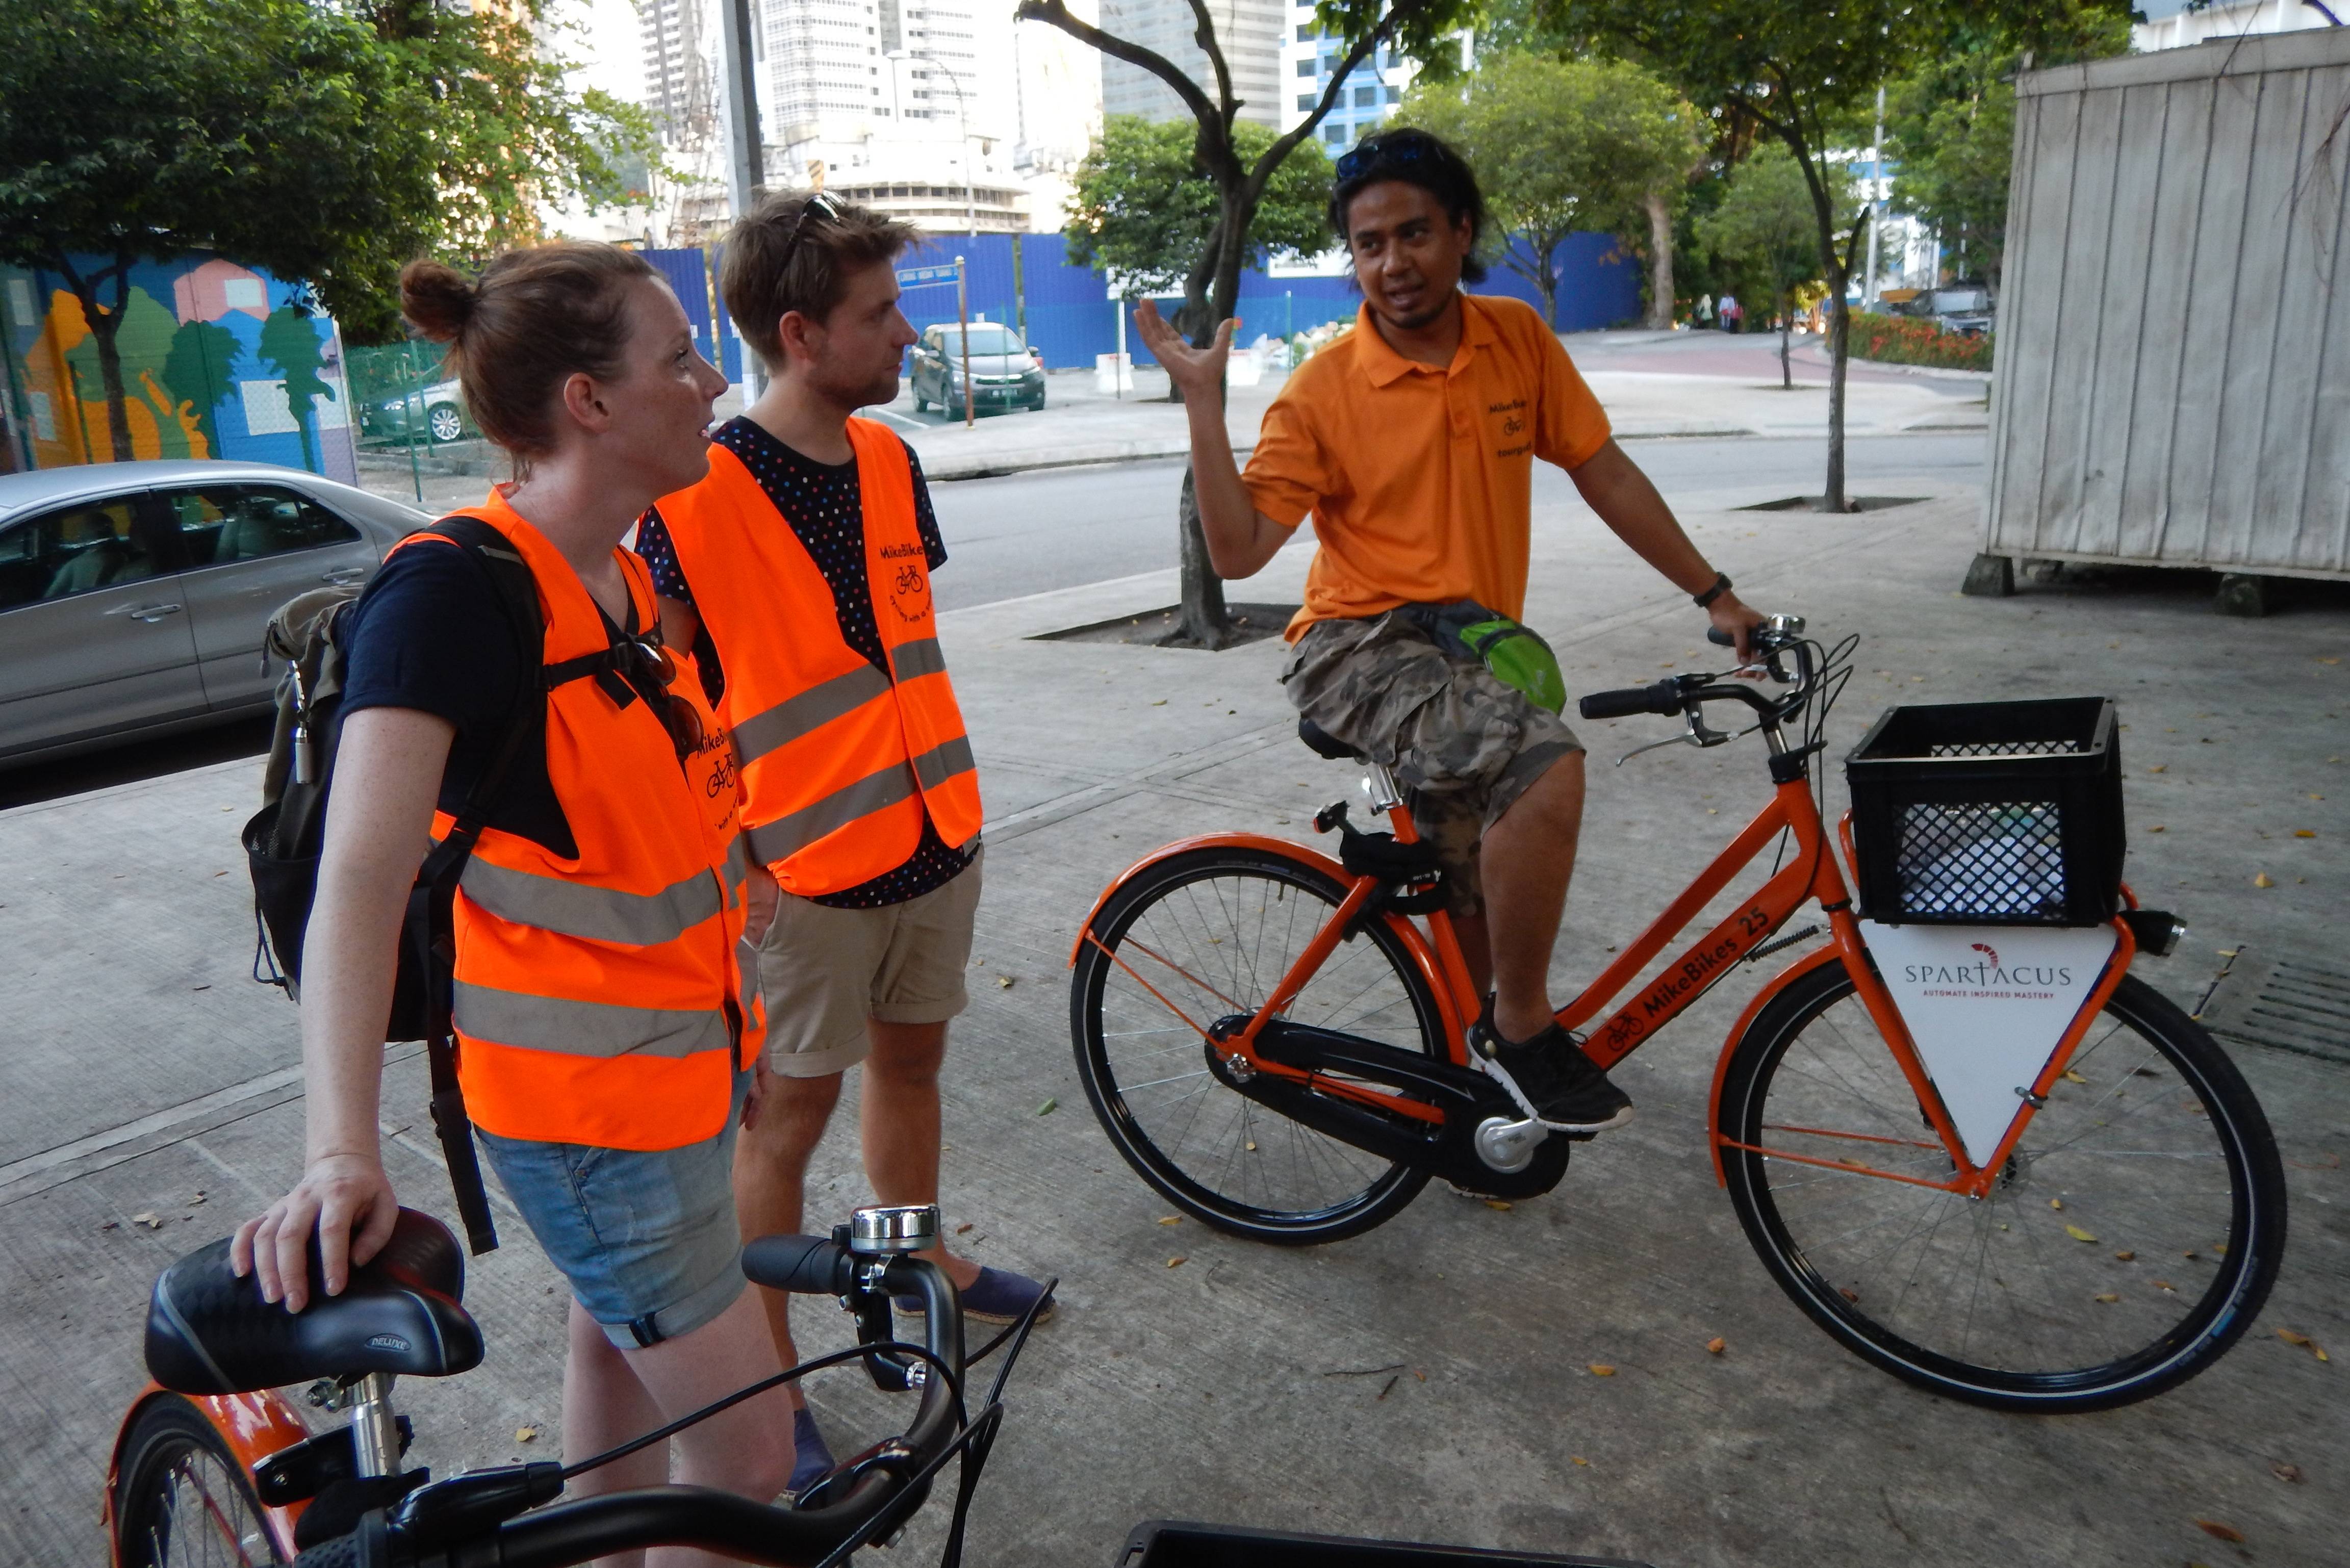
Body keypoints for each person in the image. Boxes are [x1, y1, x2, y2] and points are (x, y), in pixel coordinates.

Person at [231, 243, 807, 1534]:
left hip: (676, 1078)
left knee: (620, 1360)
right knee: (749, 1462)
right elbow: (358, 882)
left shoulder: (621, 574)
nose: (715, 382)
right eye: (680, 358)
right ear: (588, 401)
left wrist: (734, 1030)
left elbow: (646, 853)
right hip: (589, 1119)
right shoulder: (451, 592)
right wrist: (341, 1150)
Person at [1132, 128, 1763, 1135]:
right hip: (1356, 648)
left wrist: (1715, 593)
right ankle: (1522, 1031)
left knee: (1471, 883)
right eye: (1369, 243)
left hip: (1469, 649)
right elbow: (1240, 551)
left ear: (1461, 232)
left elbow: (1602, 470)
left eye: (1415, 233)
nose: (1393, 261)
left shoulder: (1516, 339)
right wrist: (1203, 405)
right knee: (1544, 766)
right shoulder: (1325, 389)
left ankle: (1477, 1113)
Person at [636, 190, 1052, 1474]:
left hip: (935, 832)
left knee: (913, 1064)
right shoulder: (690, 495)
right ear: (803, 334)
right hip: (800, 871)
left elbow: (894, 647)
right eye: (882, 314)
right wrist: (734, 863)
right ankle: (769, 1384)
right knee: (784, 1120)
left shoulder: (888, 461)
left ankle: (921, 1256)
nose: (907, 334)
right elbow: (668, 707)